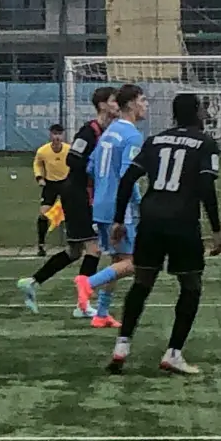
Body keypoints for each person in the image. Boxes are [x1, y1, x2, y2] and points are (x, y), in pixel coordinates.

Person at [107, 93, 221, 376]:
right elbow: (207, 188)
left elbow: (127, 180)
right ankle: (173, 353)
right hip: (182, 221)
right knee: (191, 285)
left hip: (151, 219)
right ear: (197, 113)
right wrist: (217, 230)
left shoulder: (155, 140)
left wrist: (118, 220)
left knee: (142, 282)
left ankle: (122, 346)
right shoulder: (205, 143)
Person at [17, 87, 118, 316]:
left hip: (81, 193)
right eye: (113, 101)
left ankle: (32, 282)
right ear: (102, 105)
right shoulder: (89, 131)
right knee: (94, 248)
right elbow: (73, 158)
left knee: (74, 251)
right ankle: (82, 305)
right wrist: (94, 170)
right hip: (78, 194)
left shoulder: (106, 131)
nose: (117, 105)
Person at [76, 84, 148, 327]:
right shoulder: (132, 136)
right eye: (143, 100)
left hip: (101, 204)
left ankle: (101, 313)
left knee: (117, 259)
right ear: (131, 105)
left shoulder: (108, 131)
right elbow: (129, 175)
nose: (145, 105)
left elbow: (91, 168)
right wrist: (139, 203)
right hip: (121, 206)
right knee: (134, 262)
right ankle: (88, 283)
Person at [32, 124, 70, 256]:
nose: (57, 137)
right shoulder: (43, 151)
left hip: (66, 183)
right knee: (43, 214)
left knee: (71, 212)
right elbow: (37, 164)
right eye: (54, 134)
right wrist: (39, 178)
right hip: (50, 184)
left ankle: (74, 242)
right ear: (50, 135)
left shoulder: (68, 150)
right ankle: (41, 245)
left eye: (59, 134)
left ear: (63, 135)